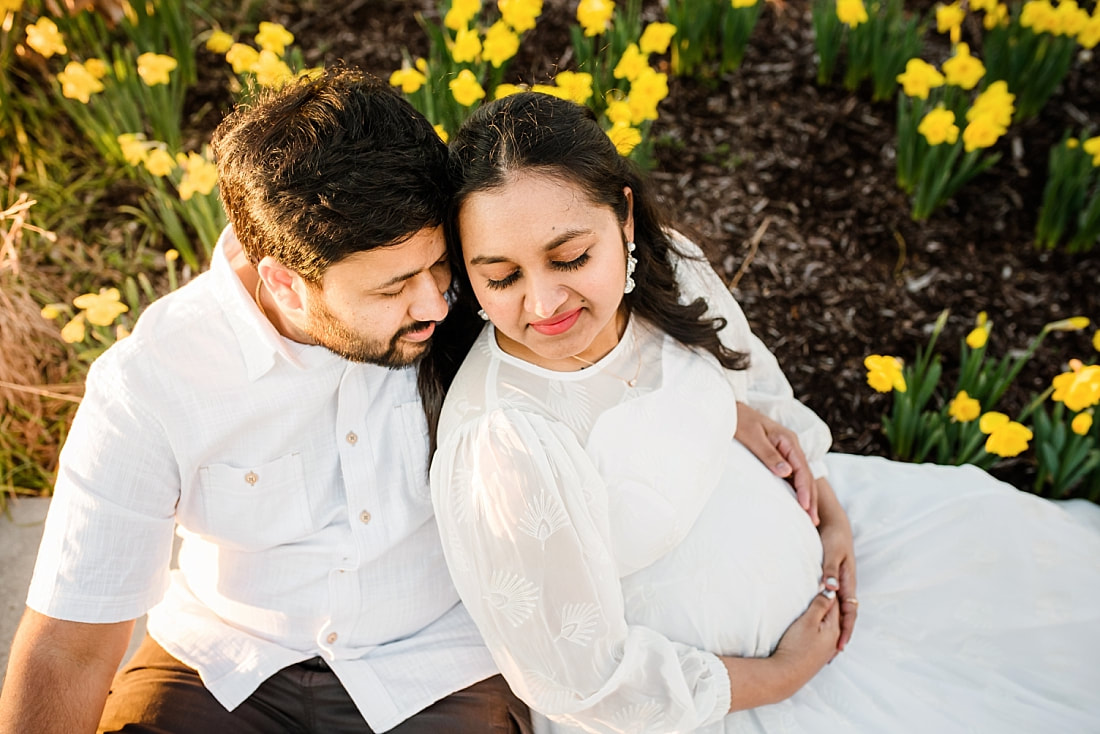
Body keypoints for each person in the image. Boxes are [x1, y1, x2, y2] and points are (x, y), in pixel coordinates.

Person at [0, 69, 808, 734]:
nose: (435, 303)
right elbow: (68, 648)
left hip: (439, 669)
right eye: (394, 290)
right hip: (223, 665)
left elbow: (594, 336)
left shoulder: (479, 292)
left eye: (441, 270)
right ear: (283, 280)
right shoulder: (153, 382)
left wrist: (720, 409)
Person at [424, 91, 1100, 733]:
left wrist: (831, 514)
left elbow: (755, 386)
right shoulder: (504, 445)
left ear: (625, 220)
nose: (543, 304)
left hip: (830, 561)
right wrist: (779, 677)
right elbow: (581, 679)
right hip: (713, 703)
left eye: (571, 256)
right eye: (501, 277)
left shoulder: (670, 269)